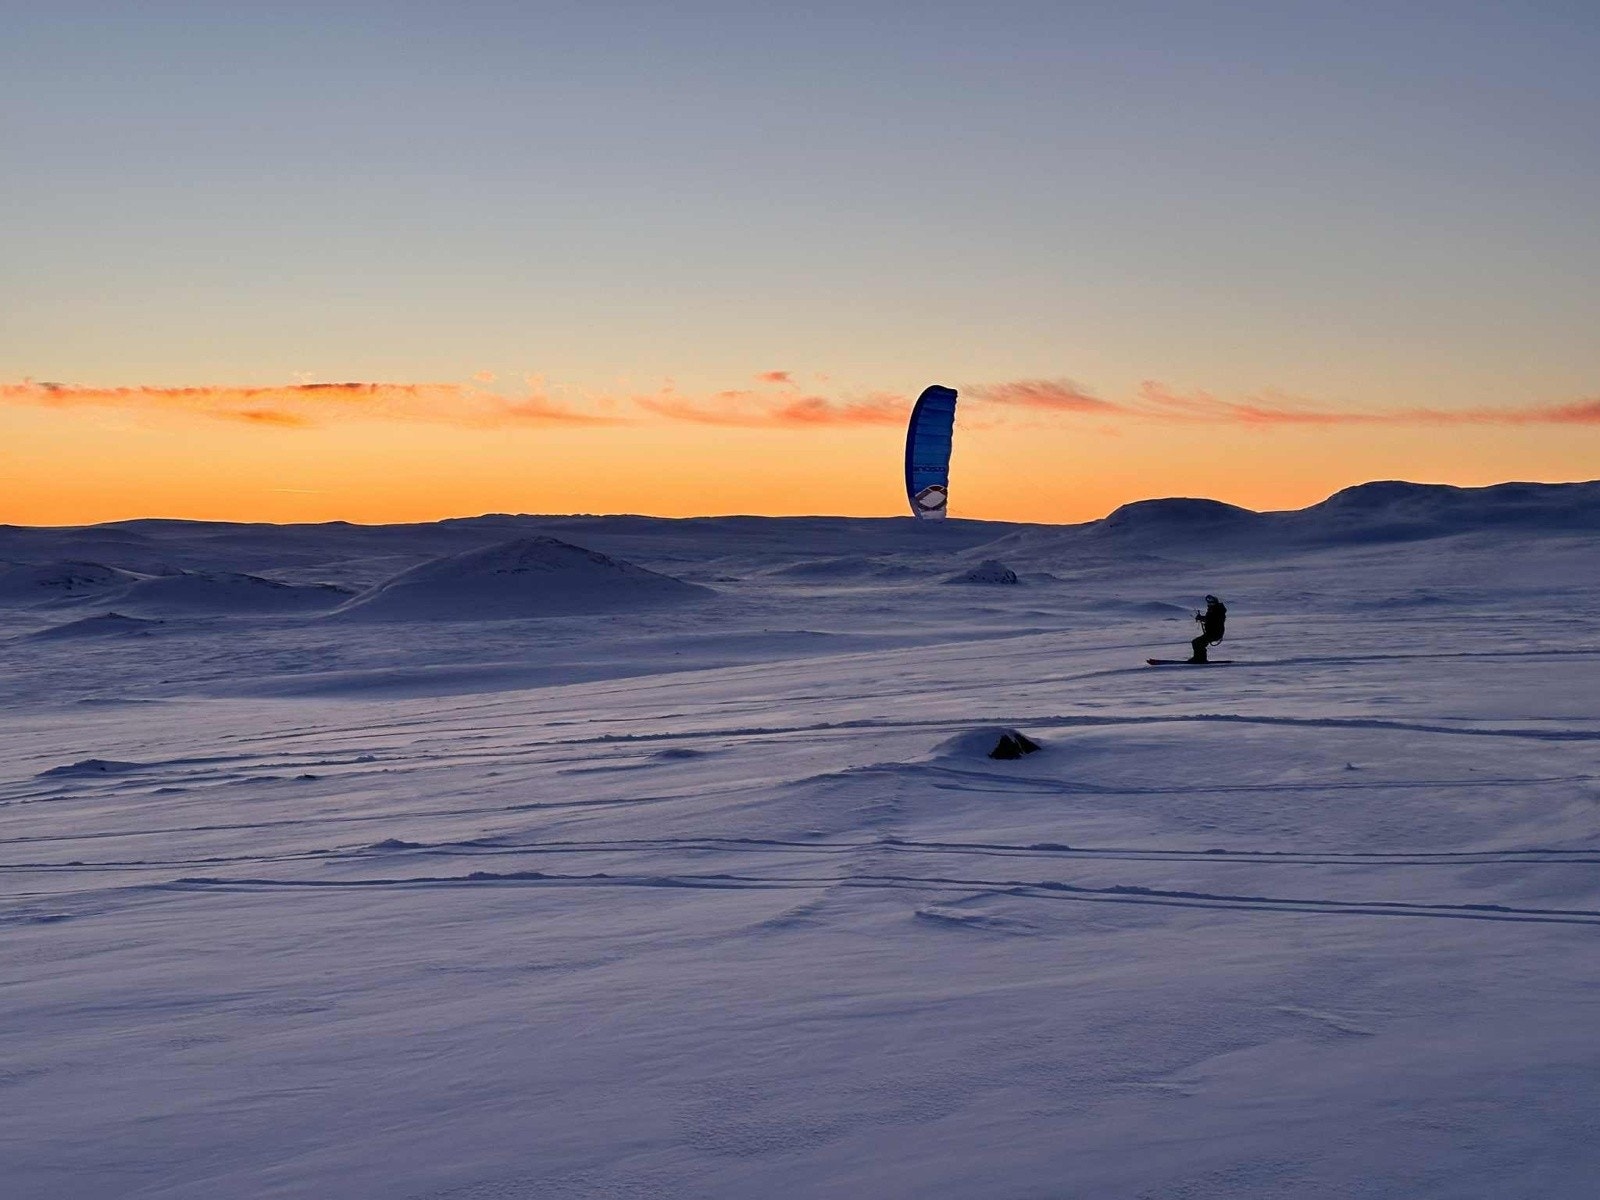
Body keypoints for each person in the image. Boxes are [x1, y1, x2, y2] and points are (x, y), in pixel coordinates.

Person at [1190, 594, 1227, 662]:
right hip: (1211, 632)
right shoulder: (1213, 610)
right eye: (1209, 602)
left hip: (1215, 633)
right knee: (1197, 642)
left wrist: (1202, 618)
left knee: (1197, 642)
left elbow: (1213, 619)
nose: (1210, 604)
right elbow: (1210, 619)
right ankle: (1198, 658)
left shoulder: (1218, 610)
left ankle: (1200, 659)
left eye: (1212, 602)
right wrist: (1202, 618)